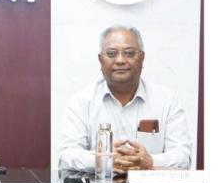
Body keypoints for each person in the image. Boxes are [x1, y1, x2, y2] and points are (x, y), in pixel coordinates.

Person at [58, 26, 192, 173]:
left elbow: (183, 156)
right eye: (111, 53)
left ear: (142, 58)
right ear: (100, 60)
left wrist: (150, 161)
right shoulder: (81, 102)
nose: (120, 60)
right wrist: (104, 160)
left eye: (129, 53)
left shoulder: (167, 100)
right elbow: (67, 156)